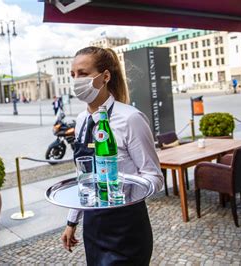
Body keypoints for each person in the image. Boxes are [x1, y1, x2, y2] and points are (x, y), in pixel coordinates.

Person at [60, 46, 164, 265]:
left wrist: (121, 188)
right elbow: (83, 176)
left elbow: (155, 178)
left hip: (126, 228)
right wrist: (72, 222)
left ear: (105, 76)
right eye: (73, 75)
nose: (76, 80)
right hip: (93, 227)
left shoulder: (130, 119)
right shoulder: (80, 121)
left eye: (83, 73)